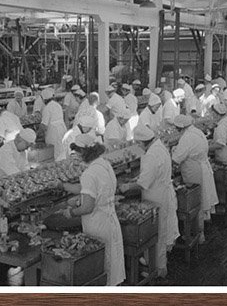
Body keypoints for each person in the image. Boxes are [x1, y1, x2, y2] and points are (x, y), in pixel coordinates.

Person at [62, 133, 125, 285]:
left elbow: (88, 207)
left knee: (99, 264)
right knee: (112, 259)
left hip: (97, 224)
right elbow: (93, 190)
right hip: (109, 218)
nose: (76, 155)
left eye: (77, 151)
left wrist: (71, 212)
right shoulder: (104, 164)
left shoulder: (89, 173)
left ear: (84, 152)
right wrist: (66, 188)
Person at [119, 124, 179, 280]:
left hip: (156, 196)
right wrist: (137, 178)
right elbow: (149, 174)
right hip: (162, 192)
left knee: (156, 233)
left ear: (144, 141)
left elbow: (143, 183)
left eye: (139, 143)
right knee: (161, 229)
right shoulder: (159, 146)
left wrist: (127, 186)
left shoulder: (152, 155)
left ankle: (158, 268)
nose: (138, 146)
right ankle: (157, 264)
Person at [170, 113, 218, 233]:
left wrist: (172, 151)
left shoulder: (187, 137)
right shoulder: (197, 132)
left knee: (195, 201)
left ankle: (197, 232)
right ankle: (201, 228)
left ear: (180, 128)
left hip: (194, 170)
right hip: (202, 167)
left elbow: (176, 159)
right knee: (201, 198)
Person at [208, 100, 227, 194]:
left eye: (213, 114)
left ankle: (226, 202)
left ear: (217, 114)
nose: (212, 116)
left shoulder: (222, 126)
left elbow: (220, 144)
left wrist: (206, 148)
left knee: (226, 182)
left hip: (225, 155)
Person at [41, 87, 68, 160]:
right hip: (62, 129)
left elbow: (44, 125)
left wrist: (38, 134)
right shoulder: (57, 105)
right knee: (62, 150)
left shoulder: (47, 108)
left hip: (54, 132)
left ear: (44, 99)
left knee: (57, 153)